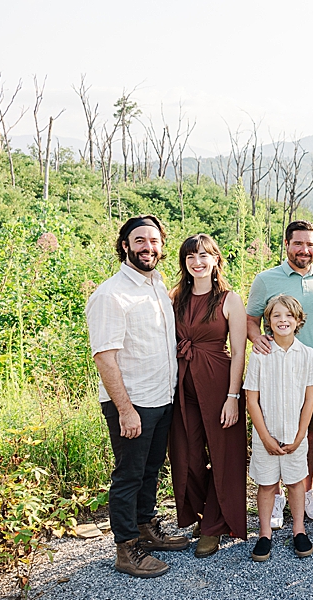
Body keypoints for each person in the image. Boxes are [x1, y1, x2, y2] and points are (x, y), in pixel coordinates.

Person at [85, 215, 189, 578]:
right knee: (129, 474)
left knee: (149, 470)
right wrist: (125, 410)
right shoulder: (111, 294)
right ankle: (126, 548)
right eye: (140, 240)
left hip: (161, 397)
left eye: (155, 241)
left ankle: (146, 528)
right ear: (125, 245)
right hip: (133, 402)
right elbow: (105, 357)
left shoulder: (156, 285)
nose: (149, 247)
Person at [246, 220, 313, 525]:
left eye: (310, 244)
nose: (304, 250)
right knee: (273, 432)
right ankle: (274, 498)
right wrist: (257, 339)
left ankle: (306, 491)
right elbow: (251, 321)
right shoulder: (266, 280)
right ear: (286, 244)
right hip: (273, 375)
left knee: (310, 436)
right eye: (298, 243)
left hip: (312, 375)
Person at [168, 234, 248, 558]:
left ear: (216, 259)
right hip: (183, 386)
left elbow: (240, 353)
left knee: (224, 455)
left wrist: (233, 396)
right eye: (190, 257)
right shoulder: (175, 297)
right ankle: (199, 513)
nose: (197, 262)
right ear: (184, 263)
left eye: (204, 256)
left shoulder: (230, 299)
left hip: (219, 385)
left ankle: (213, 526)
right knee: (188, 458)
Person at [244, 295, 313, 561]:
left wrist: (301, 435)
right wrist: (264, 437)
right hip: (266, 434)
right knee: (267, 485)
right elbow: (251, 399)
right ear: (268, 321)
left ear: (298, 320)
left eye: (289, 315)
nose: (282, 320)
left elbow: (310, 398)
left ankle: (299, 529)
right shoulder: (260, 354)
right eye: (276, 315)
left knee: (296, 482)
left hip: (295, 435)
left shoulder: (307, 354)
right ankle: (264, 533)